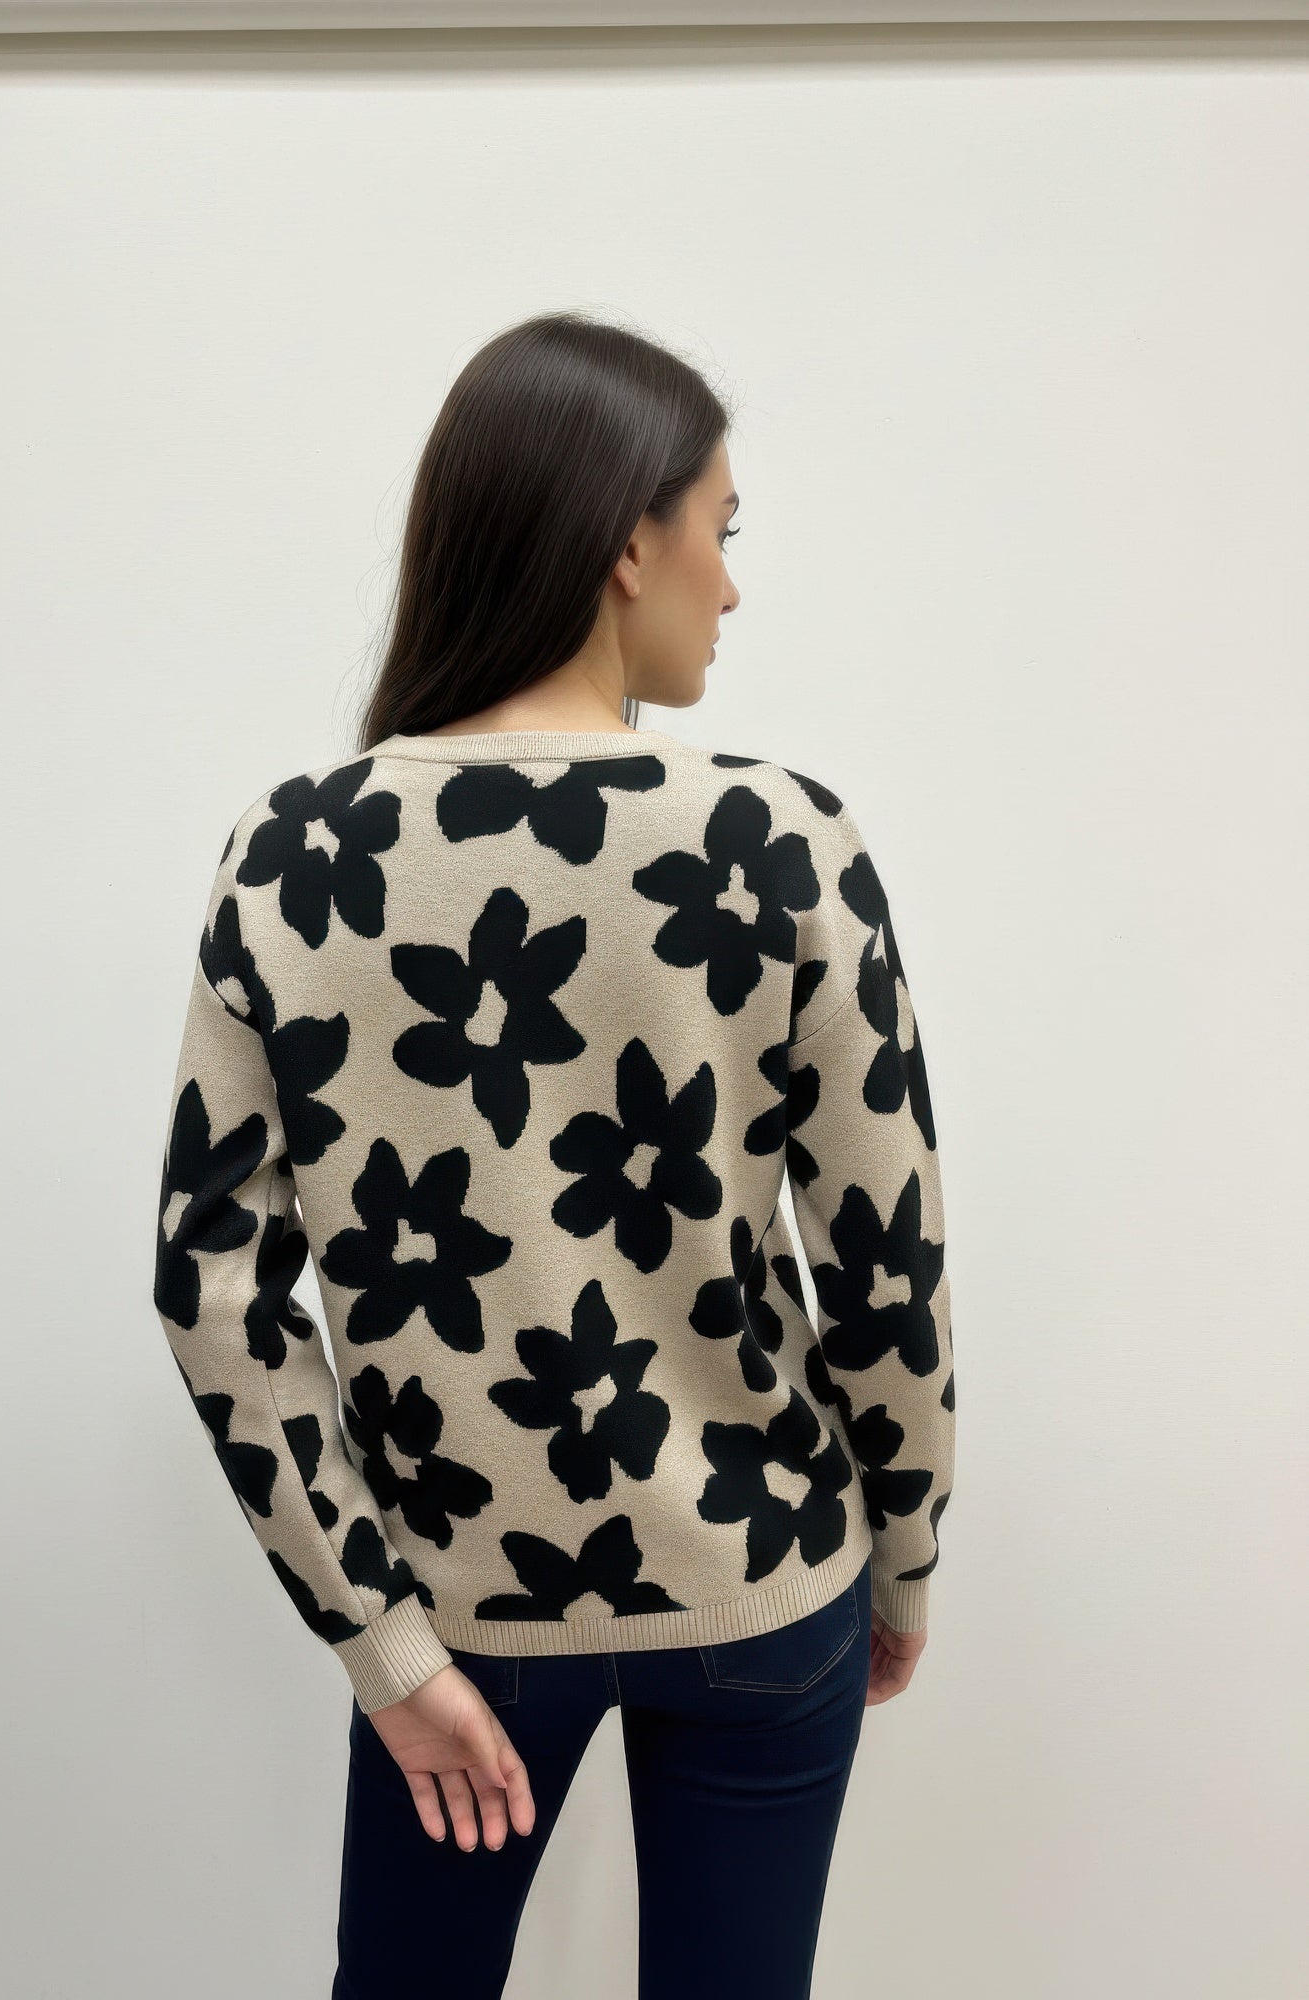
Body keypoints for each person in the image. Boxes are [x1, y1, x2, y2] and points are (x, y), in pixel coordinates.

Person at [152, 310, 954, 2000]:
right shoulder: (783, 841)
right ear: (626, 542)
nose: (731, 586)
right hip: (762, 1582)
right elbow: (885, 1259)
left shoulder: (293, 855)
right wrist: (906, 1549)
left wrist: (380, 1642)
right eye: (721, 529)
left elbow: (212, 1293)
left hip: (463, 1616)